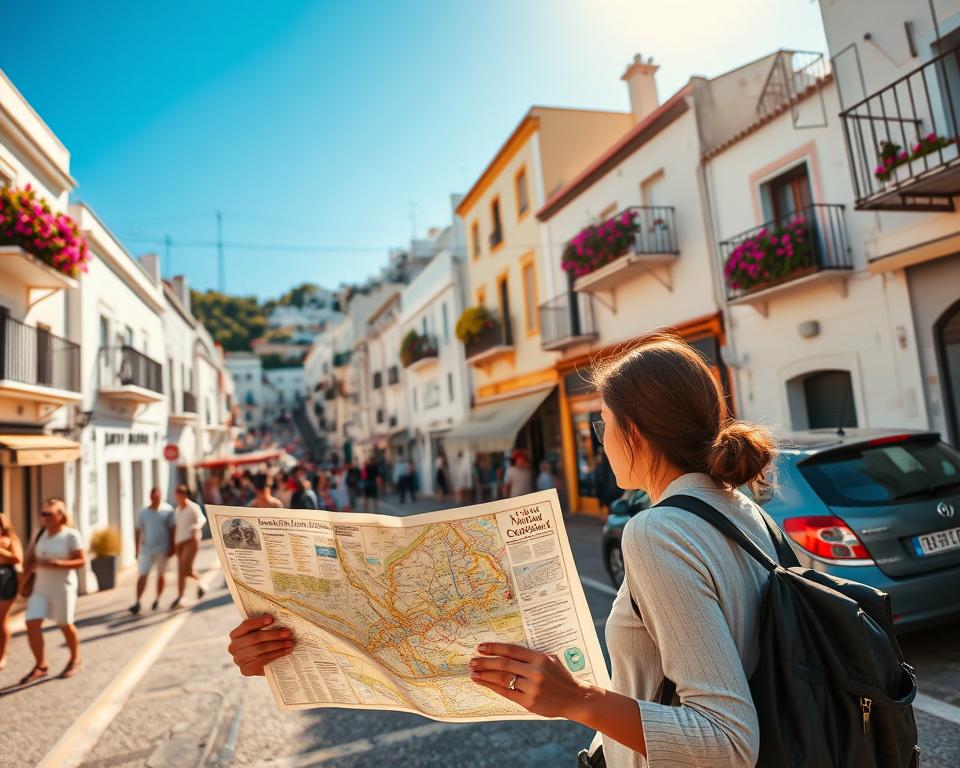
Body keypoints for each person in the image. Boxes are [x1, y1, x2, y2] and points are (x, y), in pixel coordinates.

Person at [224, 333, 778, 768]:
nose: (598, 437)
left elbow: (727, 742)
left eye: (601, 422)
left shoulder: (657, 533)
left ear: (635, 431)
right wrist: (304, 642)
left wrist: (579, 700)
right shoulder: (742, 510)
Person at [20, 499, 86, 683]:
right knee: (31, 623)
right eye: (42, 514)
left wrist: (58, 564)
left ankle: (75, 658)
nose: (44, 517)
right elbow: (29, 561)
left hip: (63, 587)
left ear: (61, 515)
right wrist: (20, 584)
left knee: (65, 624)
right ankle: (41, 665)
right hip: (41, 588)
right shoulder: (39, 534)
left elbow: (81, 561)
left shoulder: (71, 535)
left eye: (48, 514)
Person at [130, 487, 175, 615]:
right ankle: (137, 601)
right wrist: (137, 548)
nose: (155, 499)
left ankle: (158, 599)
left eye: (157, 496)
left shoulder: (168, 510)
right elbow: (138, 530)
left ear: (160, 496)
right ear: (150, 497)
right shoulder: (143, 512)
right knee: (143, 574)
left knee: (161, 574)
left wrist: (172, 546)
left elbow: (173, 529)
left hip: (163, 548)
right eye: (153, 496)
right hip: (147, 549)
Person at [172, 484, 206, 610]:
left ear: (184, 495)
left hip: (190, 541)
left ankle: (201, 581)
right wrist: (174, 544)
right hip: (179, 543)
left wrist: (196, 527)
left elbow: (202, 519)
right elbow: (176, 528)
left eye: (180, 495)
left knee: (185, 569)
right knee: (181, 571)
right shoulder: (178, 510)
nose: (178, 497)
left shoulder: (193, 507)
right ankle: (181, 596)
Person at [0, 513, 23, 671]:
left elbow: (17, 558)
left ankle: (2, 656)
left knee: (2, 619)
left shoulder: (11, 538)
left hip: (6, 580)